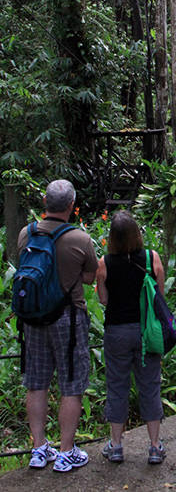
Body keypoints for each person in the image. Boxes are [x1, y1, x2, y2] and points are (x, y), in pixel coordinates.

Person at [19, 179, 98, 472]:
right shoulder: (79, 238)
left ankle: (39, 449)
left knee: (36, 383)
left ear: (44, 202)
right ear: (71, 206)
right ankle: (66, 452)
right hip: (68, 317)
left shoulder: (25, 234)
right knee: (71, 384)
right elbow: (90, 277)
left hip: (33, 317)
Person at [96, 211, 166, 464]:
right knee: (150, 386)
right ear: (137, 233)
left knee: (117, 386)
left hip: (117, 330)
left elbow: (103, 299)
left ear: (112, 237)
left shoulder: (104, 263)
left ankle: (116, 446)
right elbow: (159, 293)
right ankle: (155, 446)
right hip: (146, 331)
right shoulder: (150, 258)